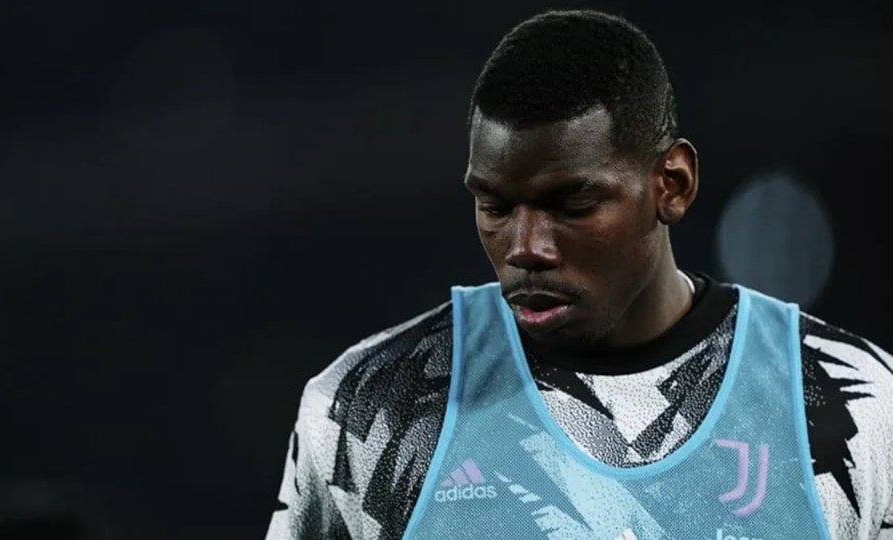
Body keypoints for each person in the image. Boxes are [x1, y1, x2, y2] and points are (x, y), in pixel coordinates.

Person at [265, 9, 893, 540]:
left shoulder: (864, 409)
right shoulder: (364, 407)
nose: (526, 248)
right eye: (495, 207)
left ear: (672, 185)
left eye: (572, 205)